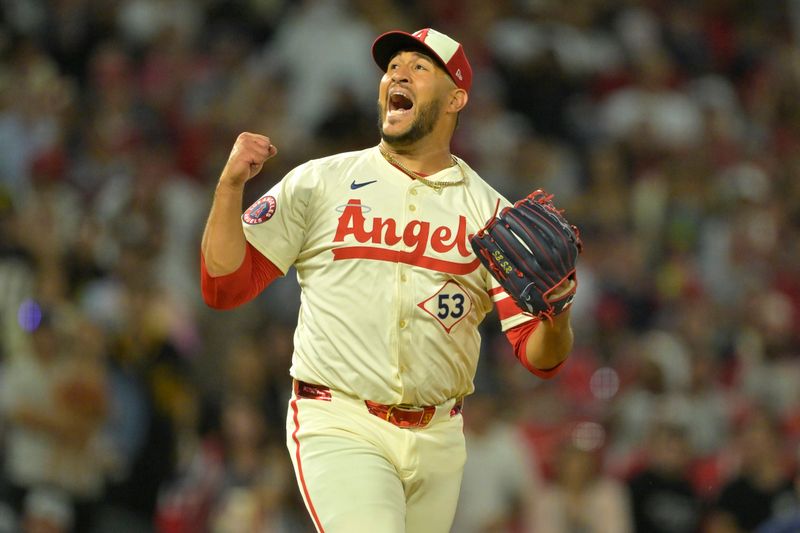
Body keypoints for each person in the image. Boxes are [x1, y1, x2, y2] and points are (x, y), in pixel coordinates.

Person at [199, 28, 577, 533]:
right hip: (340, 420)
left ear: (456, 98)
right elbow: (224, 286)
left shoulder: (490, 215)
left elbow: (539, 356)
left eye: (420, 68)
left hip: (439, 436)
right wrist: (229, 188)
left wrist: (558, 313)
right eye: (393, 66)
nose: (397, 73)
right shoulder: (321, 182)